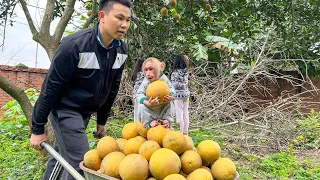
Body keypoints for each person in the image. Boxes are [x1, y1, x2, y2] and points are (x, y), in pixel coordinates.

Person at [30, 0, 132, 179]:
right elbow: (50, 87)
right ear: (102, 16)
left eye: (128, 20)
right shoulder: (74, 46)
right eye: (119, 18)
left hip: (85, 112)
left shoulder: (121, 50)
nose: (124, 25)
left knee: (62, 156)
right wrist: (37, 128)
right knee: (82, 165)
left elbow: (112, 88)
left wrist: (102, 120)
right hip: (65, 110)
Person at [136, 57, 175, 129]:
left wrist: (171, 96)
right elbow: (138, 94)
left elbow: (171, 88)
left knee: (170, 103)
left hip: (162, 105)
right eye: (146, 70)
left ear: (159, 69)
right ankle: (148, 124)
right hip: (150, 108)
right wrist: (147, 103)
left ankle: (166, 121)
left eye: (151, 69)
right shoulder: (145, 82)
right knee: (141, 106)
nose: (148, 74)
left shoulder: (163, 78)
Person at [171, 55, 190, 135]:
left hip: (178, 95)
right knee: (186, 113)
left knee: (179, 114)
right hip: (186, 94)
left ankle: (181, 132)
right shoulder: (186, 71)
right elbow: (186, 82)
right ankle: (186, 132)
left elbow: (174, 85)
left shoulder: (175, 72)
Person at [131, 58, 145, 123]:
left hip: (135, 95)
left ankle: (136, 125)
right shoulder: (143, 74)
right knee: (142, 112)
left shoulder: (136, 73)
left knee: (136, 112)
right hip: (141, 95)